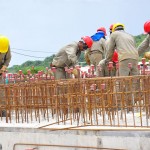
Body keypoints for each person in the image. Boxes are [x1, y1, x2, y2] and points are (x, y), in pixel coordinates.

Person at [0, 35, 11, 117]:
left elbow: (8, 58)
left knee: (1, 91)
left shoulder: (5, 44)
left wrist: (4, 66)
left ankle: (2, 112)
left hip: (0, 70)